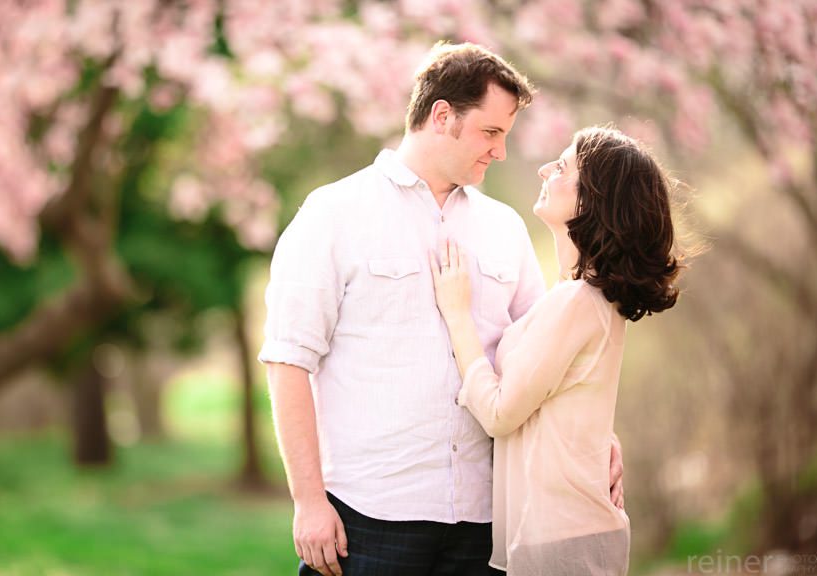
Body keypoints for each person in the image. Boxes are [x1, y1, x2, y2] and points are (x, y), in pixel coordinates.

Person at [258, 42, 625, 576]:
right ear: (442, 115)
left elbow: (547, 357)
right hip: (369, 516)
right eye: (491, 133)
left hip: (485, 524)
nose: (500, 152)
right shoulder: (334, 214)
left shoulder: (505, 228)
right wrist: (309, 501)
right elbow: (288, 360)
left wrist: (598, 437)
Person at [429, 126, 682, 575]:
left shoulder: (578, 301)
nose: (545, 169)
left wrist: (457, 314)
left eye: (562, 166)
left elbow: (501, 413)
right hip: (564, 532)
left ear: (591, 201)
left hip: (565, 540)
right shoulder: (577, 297)